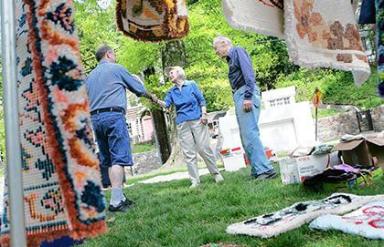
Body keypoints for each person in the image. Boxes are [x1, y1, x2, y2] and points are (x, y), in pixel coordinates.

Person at [86, 45, 155, 212]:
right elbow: (138, 89)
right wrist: (152, 97)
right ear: (109, 54)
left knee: (109, 160)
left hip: (95, 119)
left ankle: (120, 197)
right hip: (113, 116)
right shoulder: (116, 69)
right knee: (118, 158)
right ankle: (115, 202)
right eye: (114, 53)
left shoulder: (90, 77)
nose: (115, 56)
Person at [212, 36, 276, 180]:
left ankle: (265, 170)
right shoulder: (230, 59)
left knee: (250, 133)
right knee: (245, 135)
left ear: (224, 44)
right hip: (240, 95)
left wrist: (247, 96)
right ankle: (257, 170)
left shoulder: (238, 51)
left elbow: (249, 74)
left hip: (246, 93)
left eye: (216, 49)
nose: (216, 52)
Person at [157, 66, 224, 188]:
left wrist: (204, 114)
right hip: (182, 123)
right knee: (189, 153)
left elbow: (201, 101)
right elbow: (166, 105)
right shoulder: (171, 92)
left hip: (198, 120)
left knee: (204, 148)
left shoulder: (191, 84)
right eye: (169, 74)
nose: (169, 75)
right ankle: (195, 181)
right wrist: (156, 100)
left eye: (171, 72)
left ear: (179, 73)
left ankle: (216, 173)